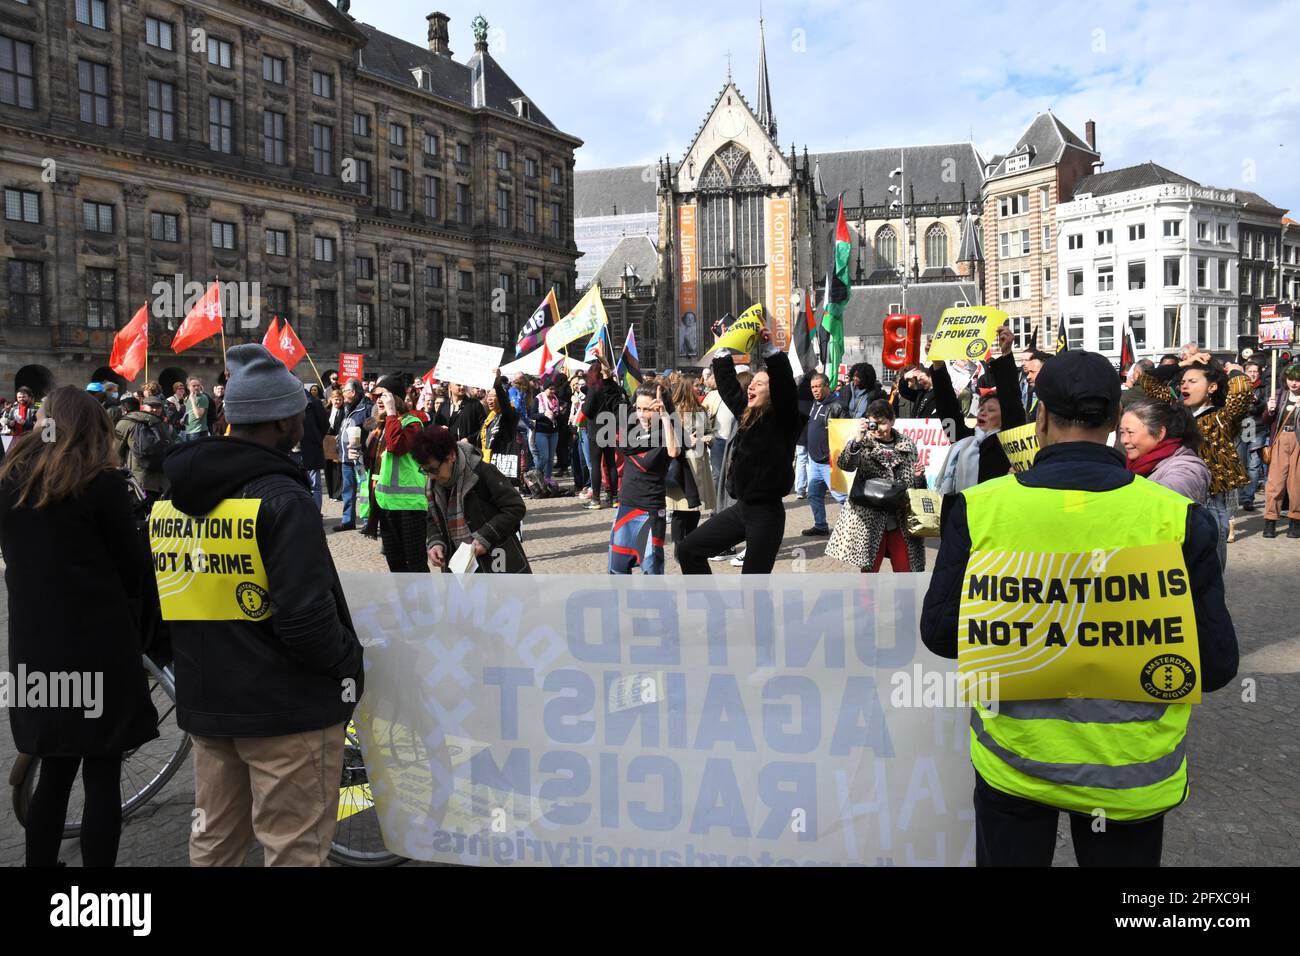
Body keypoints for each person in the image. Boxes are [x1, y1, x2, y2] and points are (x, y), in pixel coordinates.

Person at [921, 349, 1238, 867]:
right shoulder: (1176, 517)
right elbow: (1218, 664)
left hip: (1016, 761)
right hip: (1129, 771)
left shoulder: (980, 509)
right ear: (1116, 420)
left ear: (1040, 417)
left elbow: (940, 634)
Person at [157, 345, 363, 866]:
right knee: (293, 847)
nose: (304, 418)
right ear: (281, 421)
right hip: (285, 709)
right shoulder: (283, 498)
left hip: (211, 703)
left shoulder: (170, 500)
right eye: (298, 410)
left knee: (214, 844)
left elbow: (156, 606)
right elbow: (306, 620)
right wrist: (349, 662)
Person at [1, 387, 160, 867]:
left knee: (54, 773)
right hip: (98, 647)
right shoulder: (101, 483)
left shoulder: (9, 481)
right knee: (102, 775)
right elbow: (133, 571)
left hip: (35, 648)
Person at [678, 333, 799, 574]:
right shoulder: (747, 414)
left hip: (766, 514)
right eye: (752, 383)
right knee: (688, 550)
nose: (751, 386)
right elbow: (729, 387)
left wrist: (768, 347)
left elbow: (785, 384)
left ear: (773, 392)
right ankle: (714, 608)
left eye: (760, 384)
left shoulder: (785, 419)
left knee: (753, 589)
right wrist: (723, 347)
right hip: (741, 509)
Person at [1140, 349, 1251, 567]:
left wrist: (1235, 371)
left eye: (1192, 381)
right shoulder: (1176, 412)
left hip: (1210, 496)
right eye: (1183, 382)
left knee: (1212, 562)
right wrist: (1184, 364)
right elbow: (1149, 380)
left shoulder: (1222, 415)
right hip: (1176, 491)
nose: (1185, 386)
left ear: (1211, 387)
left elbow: (1241, 394)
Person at [827, 400, 926, 573]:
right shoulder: (863, 443)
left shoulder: (907, 444)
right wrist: (856, 441)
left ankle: (906, 600)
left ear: (893, 420)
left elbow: (915, 488)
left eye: (882, 423)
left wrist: (918, 477)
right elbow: (845, 465)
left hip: (900, 519)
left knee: (906, 568)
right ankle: (867, 601)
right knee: (869, 570)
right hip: (869, 519)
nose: (878, 429)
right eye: (874, 423)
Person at [414, 427, 531, 573]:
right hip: (460, 569)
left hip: (498, 565)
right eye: (425, 470)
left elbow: (515, 507)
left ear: (451, 456)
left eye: (434, 469)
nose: (430, 476)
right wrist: (435, 542)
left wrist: (485, 536)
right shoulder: (433, 485)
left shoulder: (482, 472)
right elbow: (432, 517)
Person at [935, 325, 1026, 494]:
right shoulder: (963, 439)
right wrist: (938, 365)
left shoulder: (1007, 442)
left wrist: (1006, 353)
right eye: (981, 408)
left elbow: (1012, 400)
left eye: (991, 410)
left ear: (1004, 417)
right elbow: (947, 410)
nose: (982, 412)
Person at [607, 383, 680, 575]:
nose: (641, 414)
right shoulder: (632, 431)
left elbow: (674, 451)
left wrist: (665, 416)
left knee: (652, 570)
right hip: (626, 506)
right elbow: (616, 405)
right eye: (638, 408)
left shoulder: (667, 432)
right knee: (617, 568)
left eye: (647, 409)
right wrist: (607, 373)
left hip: (650, 510)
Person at [371, 375, 429, 572]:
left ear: (395, 398)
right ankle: (402, 602)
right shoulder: (384, 424)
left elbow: (397, 446)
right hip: (386, 503)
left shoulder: (412, 423)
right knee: (395, 564)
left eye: (383, 395)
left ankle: (421, 602)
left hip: (409, 504)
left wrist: (391, 414)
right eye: (376, 396)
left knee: (415, 564)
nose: (379, 400)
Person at [1119, 400, 1210, 503]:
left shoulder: (1187, 468)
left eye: (1130, 432)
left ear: (1159, 433)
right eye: (1122, 432)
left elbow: (1162, 498)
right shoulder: (1129, 464)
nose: (1124, 440)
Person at [666, 375, 715, 564]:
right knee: (681, 510)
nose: (699, 388)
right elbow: (668, 437)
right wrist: (688, 442)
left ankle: (691, 544)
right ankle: (679, 547)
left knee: (695, 509)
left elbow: (709, 430)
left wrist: (709, 437)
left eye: (700, 385)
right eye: (696, 385)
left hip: (700, 464)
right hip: (684, 464)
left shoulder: (701, 409)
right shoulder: (675, 411)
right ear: (687, 387)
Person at [802, 372, 848, 537]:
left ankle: (849, 529)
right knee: (814, 495)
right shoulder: (814, 403)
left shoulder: (838, 406)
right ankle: (820, 526)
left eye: (818, 386)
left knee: (841, 497)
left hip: (830, 462)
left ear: (827, 387)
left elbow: (845, 435)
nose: (815, 390)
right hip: (814, 461)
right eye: (813, 387)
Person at [1260, 363, 1300, 539]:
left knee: (1296, 484)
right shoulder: (1279, 395)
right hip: (1280, 440)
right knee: (1275, 483)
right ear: (1286, 379)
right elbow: (1267, 421)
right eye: (1291, 379)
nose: (1294, 383)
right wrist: (1269, 410)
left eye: (1298, 380)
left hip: (1298, 442)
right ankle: (1270, 521)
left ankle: (1295, 521)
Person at [115, 393, 174, 507]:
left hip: (138, 482)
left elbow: (115, 452)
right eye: (152, 406)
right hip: (163, 482)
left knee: (138, 517)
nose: (155, 409)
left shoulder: (127, 421)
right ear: (142, 407)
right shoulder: (163, 424)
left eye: (158, 407)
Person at [583, 364, 627, 510]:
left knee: (596, 465)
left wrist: (582, 405)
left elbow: (587, 411)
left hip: (596, 430)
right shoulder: (614, 389)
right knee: (611, 464)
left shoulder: (594, 389)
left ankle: (596, 499)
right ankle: (614, 497)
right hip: (609, 428)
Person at [335, 380, 371, 533]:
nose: (343, 394)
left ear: (353, 392)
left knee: (364, 490)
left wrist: (361, 444)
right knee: (347, 490)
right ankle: (347, 520)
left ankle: (368, 521)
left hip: (359, 458)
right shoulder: (347, 408)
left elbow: (372, 429)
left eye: (345, 391)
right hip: (345, 458)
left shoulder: (366, 408)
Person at [1237, 360, 1269, 511]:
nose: (1253, 374)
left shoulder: (1264, 387)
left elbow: (1266, 405)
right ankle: (1239, 494)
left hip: (1258, 427)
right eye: (1250, 372)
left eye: (1256, 371)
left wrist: (1257, 403)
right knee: (1241, 462)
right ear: (1245, 372)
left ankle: (1248, 498)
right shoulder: (1238, 386)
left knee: (1254, 464)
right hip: (1243, 426)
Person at [297, 384, 330, 515]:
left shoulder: (314, 403)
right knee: (297, 484)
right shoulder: (287, 401)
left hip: (311, 448)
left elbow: (324, 424)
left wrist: (316, 437)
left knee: (314, 485)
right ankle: (301, 513)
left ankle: (315, 513)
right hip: (293, 451)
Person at [434, 381, 488, 445]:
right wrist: (440, 429)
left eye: (464, 384)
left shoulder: (475, 404)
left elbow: (484, 427)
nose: (462, 387)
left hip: (469, 449)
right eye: (458, 385)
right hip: (448, 449)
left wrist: (469, 439)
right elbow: (434, 426)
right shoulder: (443, 406)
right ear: (450, 387)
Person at [532, 376, 561, 484]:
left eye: (554, 389)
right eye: (550, 389)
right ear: (545, 389)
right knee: (544, 457)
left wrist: (558, 412)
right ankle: (536, 475)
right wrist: (544, 414)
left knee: (550, 458)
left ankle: (547, 478)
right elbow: (532, 415)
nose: (553, 391)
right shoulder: (538, 398)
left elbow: (556, 414)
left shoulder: (555, 399)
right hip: (541, 431)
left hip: (553, 431)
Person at [324, 388, 346, 501]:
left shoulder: (344, 411)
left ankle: (338, 494)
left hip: (337, 442)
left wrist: (340, 434)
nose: (337, 402)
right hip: (327, 442)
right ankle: (331, 493)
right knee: (327, 467)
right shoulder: (326, 410)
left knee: (337, 468)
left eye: (340, 400)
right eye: (336, 399)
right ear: (331, 399)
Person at [179, 377, 210, 443]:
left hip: (198, 431)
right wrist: (183, 418)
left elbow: (198, 415)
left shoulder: (202, 397)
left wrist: (193, 401)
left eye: (198, 385)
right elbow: (189, 411)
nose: (196, 387)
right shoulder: (187, 398)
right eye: (194, 386)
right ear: (188, 387)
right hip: (189, 430)